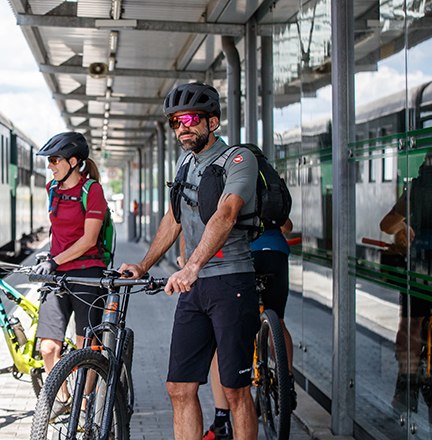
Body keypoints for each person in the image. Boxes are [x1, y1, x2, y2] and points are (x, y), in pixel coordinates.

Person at [119, 82, 260, 440]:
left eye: (191, 119)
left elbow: (226, 213)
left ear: (212, 122)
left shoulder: (239, 160)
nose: (183, 127)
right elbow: (173, 218)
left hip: (232, 284)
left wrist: (192, 266)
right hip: (195, 288)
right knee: (179, 388)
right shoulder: (185, 164)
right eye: (176, 122)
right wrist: (144, 265)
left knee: (235, 391)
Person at [32, 131, 108, 419]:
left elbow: (89, 239)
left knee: (85, 348)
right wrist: (48, 257)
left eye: (54, 160)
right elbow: (59, 232)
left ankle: (86, 402)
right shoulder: (53, 188)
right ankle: (63, 397)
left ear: (74, 161)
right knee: (49, 346)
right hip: (57, 274)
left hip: (88, 273)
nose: (50, 165)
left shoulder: (93, 191)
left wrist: (55, 260)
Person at [202, 219, 295, 440]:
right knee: (278, 321)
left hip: (241, 257)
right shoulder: (269, 185)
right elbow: (287, 226)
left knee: (222, 338)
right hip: (276, 254)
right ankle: (286, 384)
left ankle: (222, 419)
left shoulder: (232, 190)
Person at [379, 151, 432, 414]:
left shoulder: (417, 187)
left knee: (411, 326)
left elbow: (387, 224)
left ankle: (405, 390)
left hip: (420, 263)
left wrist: (404, 230)